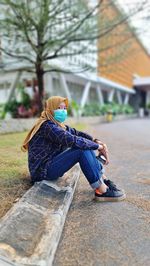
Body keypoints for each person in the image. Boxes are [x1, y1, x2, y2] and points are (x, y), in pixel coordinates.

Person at [21, 96, 126, 202]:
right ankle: (101, 191)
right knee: (81, 148)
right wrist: (99, 147)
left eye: (65, 108)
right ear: (50, 109)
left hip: (50, 164)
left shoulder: (57, 125)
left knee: (86, 144)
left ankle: (104, 180)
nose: (63, 111)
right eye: (59, 108)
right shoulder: (47, 126)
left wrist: (96, 141)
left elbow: (76, 133)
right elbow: (72, 140)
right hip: (42, 171)